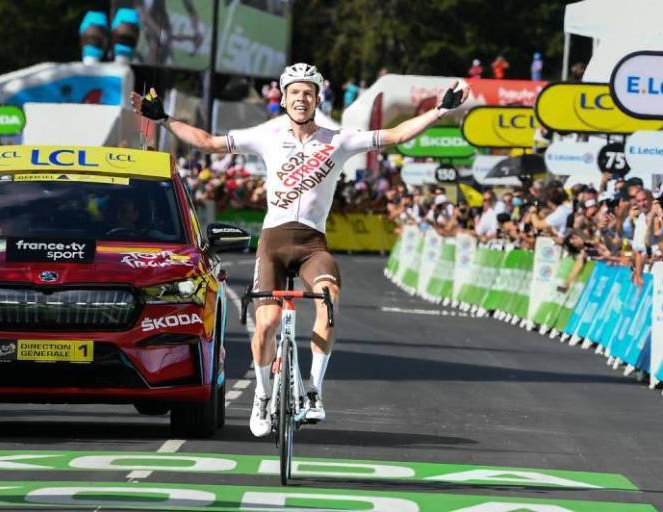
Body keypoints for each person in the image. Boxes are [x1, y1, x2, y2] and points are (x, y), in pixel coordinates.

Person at [131, 63, 469, 437]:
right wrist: (163, 120)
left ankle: (314, 391)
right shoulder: (268, 134)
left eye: (308, 92)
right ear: (284, 98)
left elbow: (395, 135)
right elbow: (208, 142)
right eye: (295, 92)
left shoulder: (338, 139)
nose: (301, 98)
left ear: (317, 98)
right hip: (273, 244)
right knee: (267, 324)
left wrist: (440, 110)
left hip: (312, 244)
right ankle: (262, 394)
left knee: (329, 299)